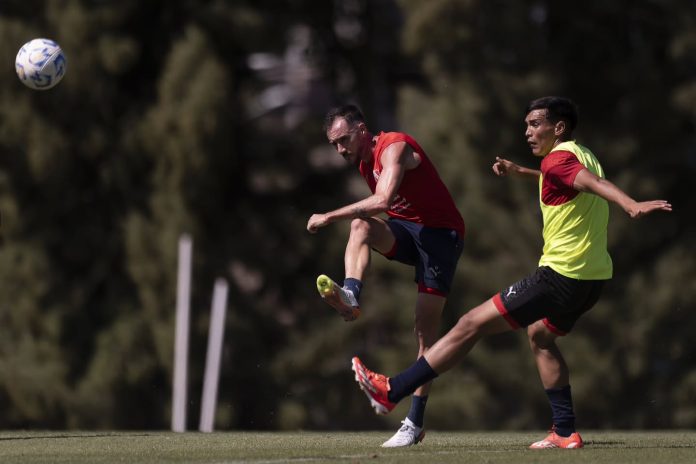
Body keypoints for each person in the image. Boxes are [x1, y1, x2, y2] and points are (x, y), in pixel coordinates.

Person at [351, 96, 672, 449]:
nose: (528, 132)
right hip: (593, 279)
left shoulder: (560, 159)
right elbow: (573, 179)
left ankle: (393, 389)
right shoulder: (581, 154)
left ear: (558, 128)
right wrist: (522, 172)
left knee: (469, 325)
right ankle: (565, 432)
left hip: (559, 277)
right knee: (540, 337)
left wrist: (631, 204)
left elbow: (590, 183)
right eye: (527, 125)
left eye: (535, 125)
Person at [307, 104, 466, 447]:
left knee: (424, 334)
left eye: (343, 139)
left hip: (440, 237)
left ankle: (414, 424)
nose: (339, 149)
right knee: (360, 227)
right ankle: (351, 294)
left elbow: (382, 200)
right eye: (333, 144)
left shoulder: (394, 146)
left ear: (362, 129)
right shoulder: (364, 162)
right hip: (409, 233)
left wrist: (327, 216)